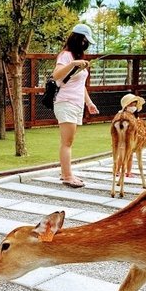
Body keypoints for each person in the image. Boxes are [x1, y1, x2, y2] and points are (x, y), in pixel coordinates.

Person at [52, 24, 100, 188]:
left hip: (76, 103)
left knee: (67, 141)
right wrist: (73, 64)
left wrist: (89, 102)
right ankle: (67, 176)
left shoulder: (75, 57)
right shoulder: (66, 56)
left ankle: (66, 172)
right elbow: (56, 75)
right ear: (79, 39)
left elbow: (80, 85)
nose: (86, 44)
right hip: (66, 102)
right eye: (85, 40)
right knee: (67, 142)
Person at [119, 93, 146, 177]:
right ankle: (117, 170)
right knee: (122, 155)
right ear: (126, 105)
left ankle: (128, 172)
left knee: (130, 155)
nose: (133, 106)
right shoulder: (122, 115)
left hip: (132, 138)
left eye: (134, 104)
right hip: (123, 138)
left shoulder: (135, 116)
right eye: (131, 104)